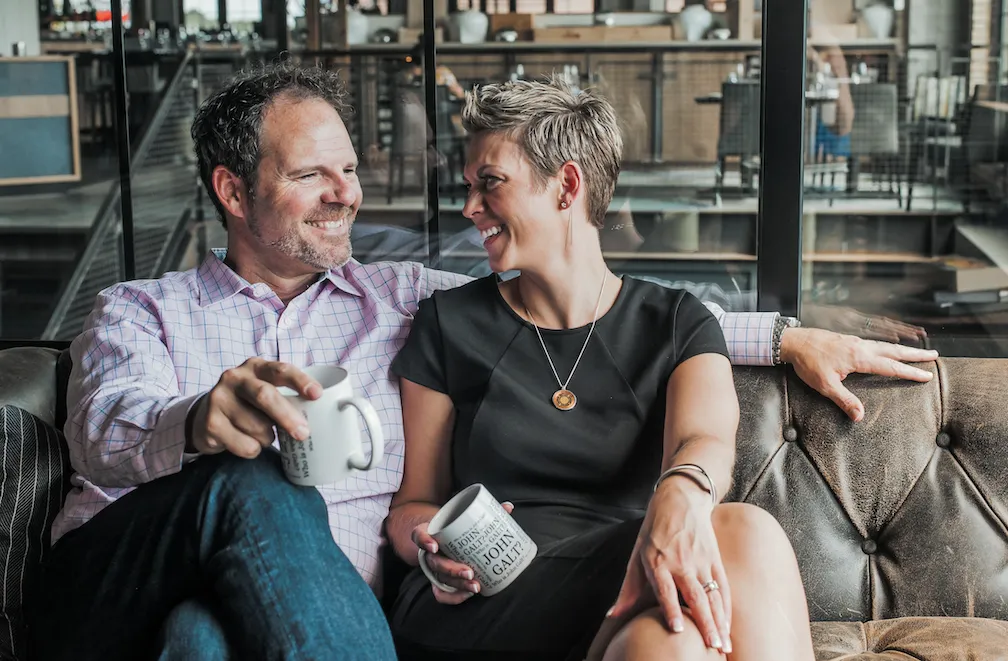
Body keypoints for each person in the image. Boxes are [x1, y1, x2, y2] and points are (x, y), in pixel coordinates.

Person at [31, 61, 936, 659]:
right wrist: (196, 420)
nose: (347, 194)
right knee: (255, 480)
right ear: (233, 191)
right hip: (117, 586)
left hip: (295, 612)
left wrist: (786, 336)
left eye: (350, 170)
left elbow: (604, 307)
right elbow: (102, 426)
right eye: (313, 175)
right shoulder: (140, 309)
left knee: (200, 641)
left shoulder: (394, 297)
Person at [381, 77, 921, 661]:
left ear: (567, 186)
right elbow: (412, 505)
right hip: (490, 596)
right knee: (746, 532)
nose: (469, 208)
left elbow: (704, 438)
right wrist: (430, 544)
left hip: (642, 578)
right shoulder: (448, 323)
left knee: (673, 645)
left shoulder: (677, 322)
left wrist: (679, 499)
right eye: (468, 187)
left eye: (490, 183)